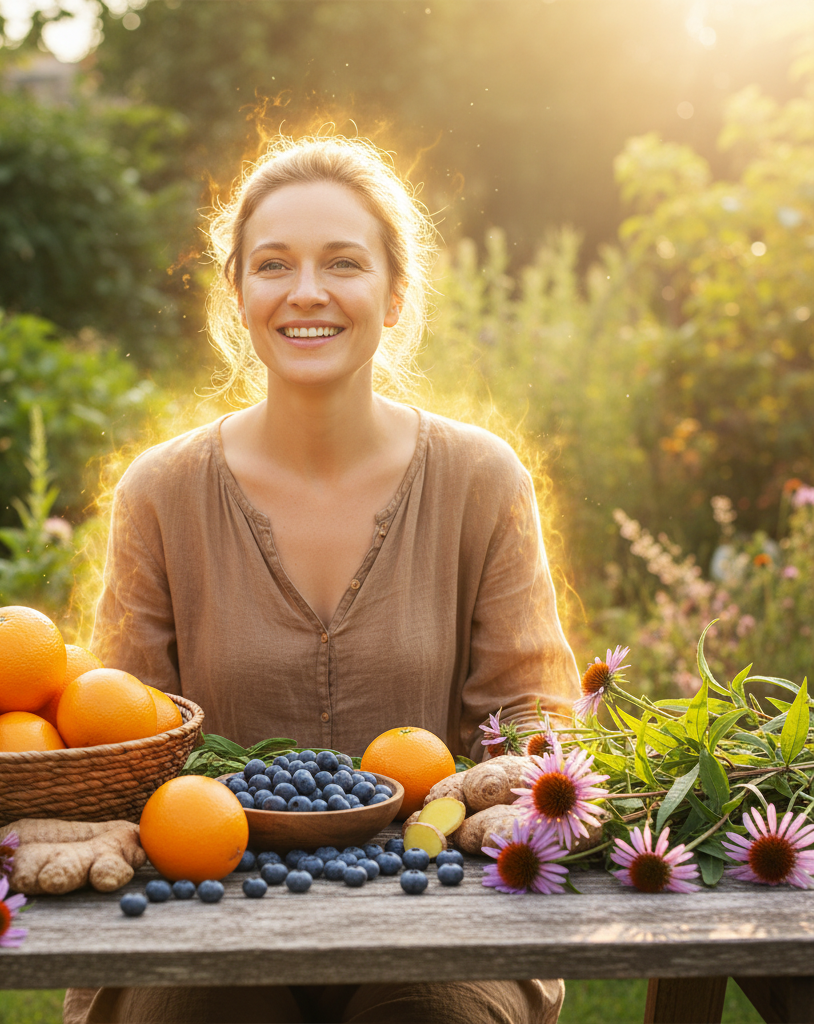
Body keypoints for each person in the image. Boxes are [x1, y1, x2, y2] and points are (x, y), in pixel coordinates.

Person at [66, 135, 577, 1024]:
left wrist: (499, 806)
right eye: (274, 265)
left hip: (436, 897)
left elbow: (534, 714)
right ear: (238, 296)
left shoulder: (481, 482)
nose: (307, 292)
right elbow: (116, 734)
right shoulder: (162, 491)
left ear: (394, 292)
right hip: (204, 900)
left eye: (343, 262)